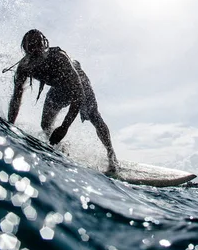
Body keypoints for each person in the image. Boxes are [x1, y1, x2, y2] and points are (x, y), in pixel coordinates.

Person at [7, 29, 118, 172]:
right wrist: (9, 125)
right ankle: (61, 150)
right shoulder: (24, 67)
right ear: (25, 49)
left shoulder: (59, 57)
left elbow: (78, 94)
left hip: (79, 83)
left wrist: (64, 127)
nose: (35, 49)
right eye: (31, 45)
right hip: (58, 89)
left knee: (94, 116)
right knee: (45, 124)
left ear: (45, 44)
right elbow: (16, 97)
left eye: (38, 43)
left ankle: (111, 155)